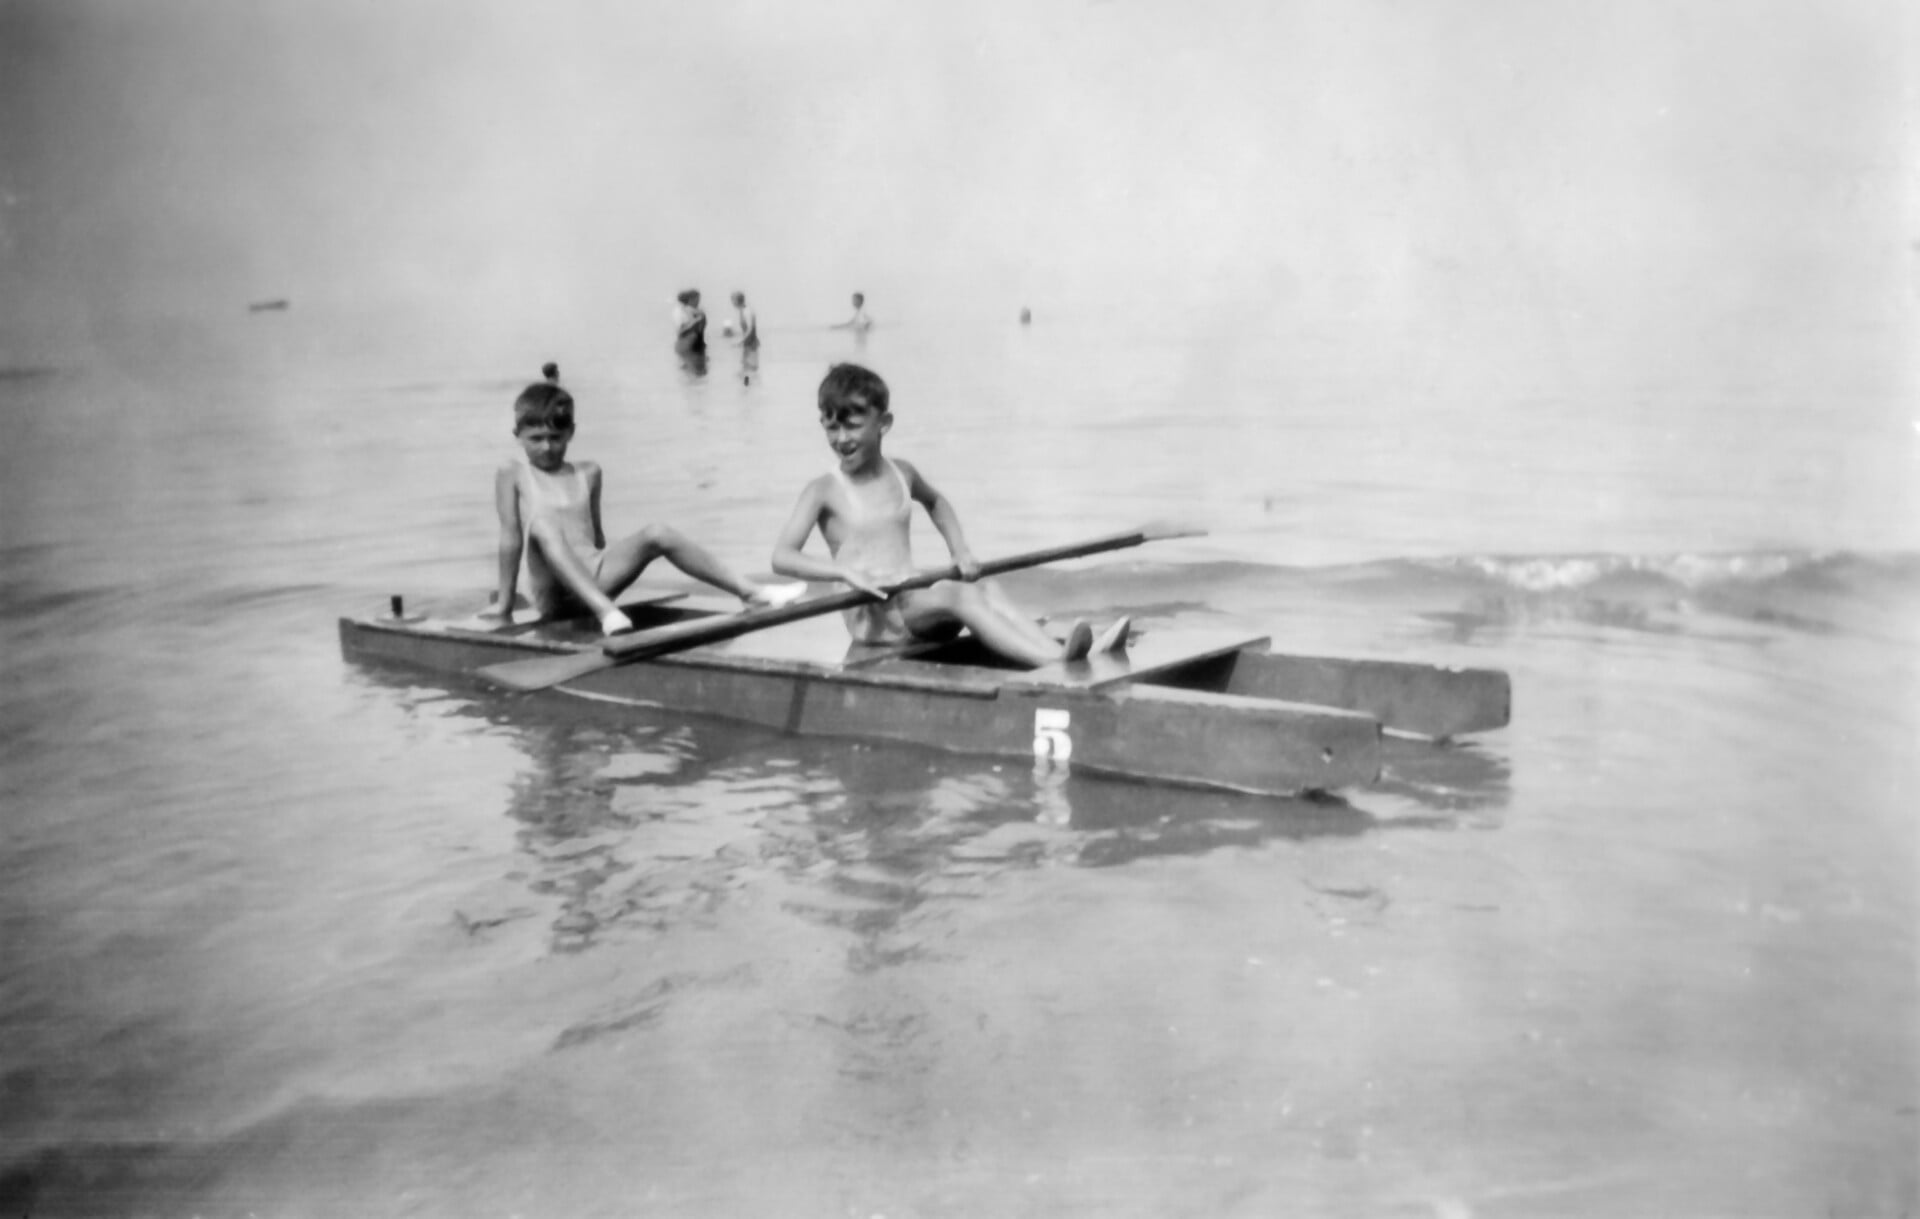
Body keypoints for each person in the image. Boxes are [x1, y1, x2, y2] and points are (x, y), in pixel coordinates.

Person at [771, 363, 1128, 666]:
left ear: (884, 422)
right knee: (959, 596)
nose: (841, 438)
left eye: (852, 425)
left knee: (984, 586)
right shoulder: (823, 490)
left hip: (910, 599)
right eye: (831, 427)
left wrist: (960, 551)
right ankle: (1054, 663)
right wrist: (843, 571)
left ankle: (1061, 652)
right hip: (876, 617)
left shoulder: (903, 473)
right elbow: (782, 557)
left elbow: (937, 503)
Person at [483, 381, 790, 636]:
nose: (547, 447)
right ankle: (607, 613)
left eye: (555, 438)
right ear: (518, 437)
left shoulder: (588, 473)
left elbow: (597, 541)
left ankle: (751, 593)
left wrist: (620, 567)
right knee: (542, 524)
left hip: (594, 582)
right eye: (536, 439)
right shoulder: (513, 473)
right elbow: (511, 538)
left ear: (571, 433)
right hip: (551, 595)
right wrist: (504, 605)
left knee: (657, 532)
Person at [672, 290, 706, 356]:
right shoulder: (681, 311)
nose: (698, 302)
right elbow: (681, 329)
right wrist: (695, 321)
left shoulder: (686, 309)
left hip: (693, 341)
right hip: (688, 342)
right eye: (696, 299)